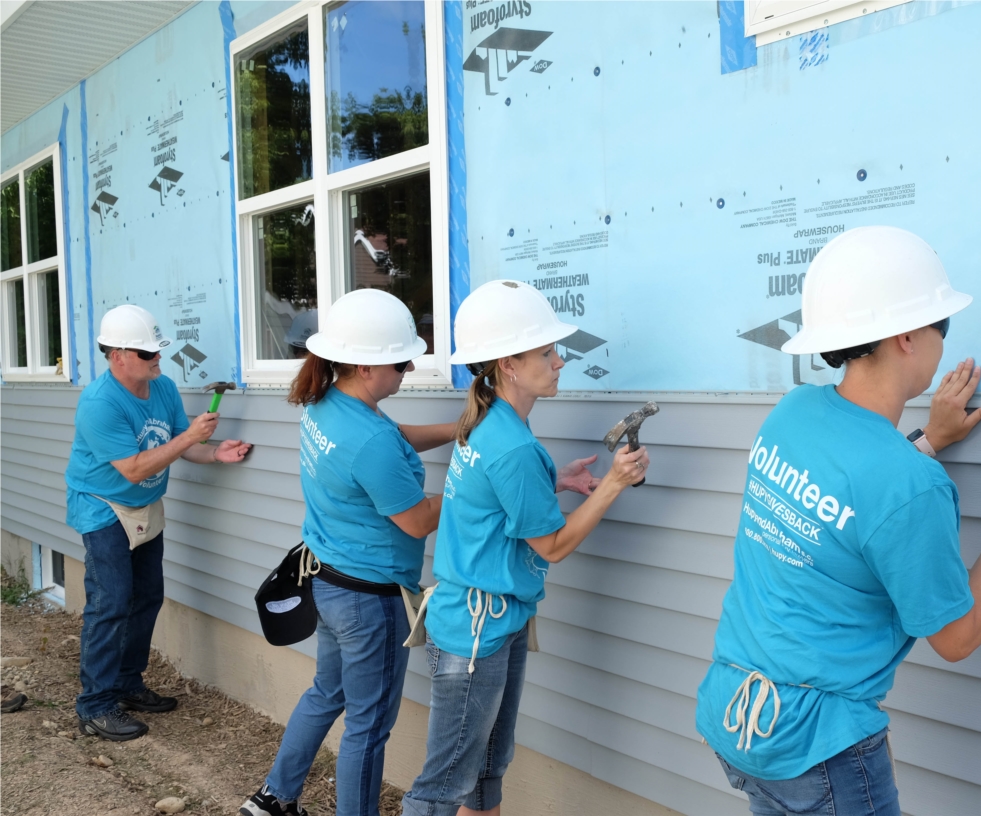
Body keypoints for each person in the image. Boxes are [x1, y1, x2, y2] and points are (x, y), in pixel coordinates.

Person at [695, 226, 981, 816]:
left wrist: (928, 439)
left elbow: (848, 501)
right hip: (820, 750)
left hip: (739, 721)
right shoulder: (908, 486)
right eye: (942, 324)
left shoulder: (794, 413)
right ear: (907, 336)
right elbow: (957, 638)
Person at [401, 280, 650, 816]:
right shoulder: (510, 442)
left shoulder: (490, 421)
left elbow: (491, 499)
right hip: (475, 633)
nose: (559, 361)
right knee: (441, 788)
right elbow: (554, 545)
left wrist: (554, 480)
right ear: (509, 364)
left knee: (487, 770)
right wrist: (612, 484)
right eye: (545, 352)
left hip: (494, 621)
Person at [241, 289, 454, 816]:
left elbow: (390, 439)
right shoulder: (368, 439)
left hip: (330, 582)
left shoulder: (329, 404)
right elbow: (418, 519)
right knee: (368, 727)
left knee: (325, 694)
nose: (407, 369)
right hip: (370, 600)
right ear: (364, 365)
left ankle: (274, 798)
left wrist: (459, 429)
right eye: (401, 361)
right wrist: (476, 485)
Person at [65, 305, 251, 742]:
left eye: (156, 350)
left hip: (147, 504)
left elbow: (180, 446)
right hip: (104, 505)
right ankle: (94, 706)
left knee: (147, 596)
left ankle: (127, 684)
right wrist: (189, 438)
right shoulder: (99, 403)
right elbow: (131, 467)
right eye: (147, 352)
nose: (157, 358)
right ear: (118, 356)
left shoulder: (161, 386)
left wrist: (213, 452)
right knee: (110, 602)